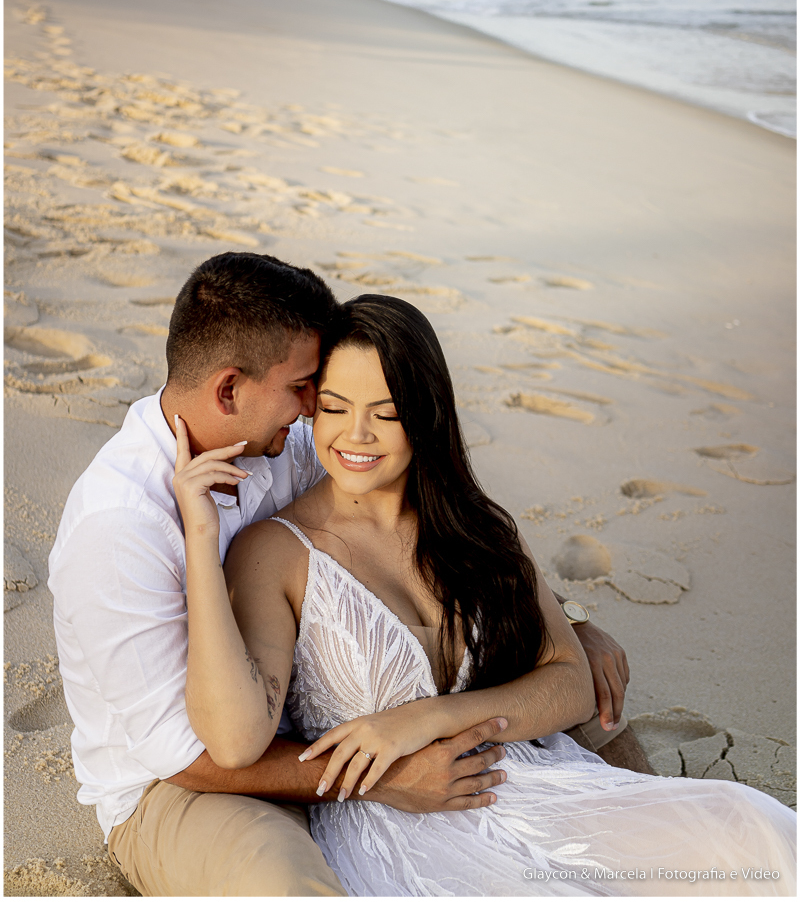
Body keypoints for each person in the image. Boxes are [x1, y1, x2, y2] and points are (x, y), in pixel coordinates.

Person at [49, 250, 649, 897]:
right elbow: (186, 755)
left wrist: (556, 618)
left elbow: (416, 511)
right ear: (229, 389)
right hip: (195, 783)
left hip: (321, 717)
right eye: (306, 387)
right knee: (283, 884)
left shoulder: (294, 439)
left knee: (589, 712)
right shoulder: (119, 527)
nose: (317, 408)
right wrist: (384, 775)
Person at [177, 293, 796, 898]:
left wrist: (425, 717)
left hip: (524, 783)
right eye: (335, 408)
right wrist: (202, 542)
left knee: (753, 828)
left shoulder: (475, 525)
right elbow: (234, 743)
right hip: (402, 834)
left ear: (426, 413)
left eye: (386, 413)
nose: (355, 435)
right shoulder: (277, 551)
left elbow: (570, 683)